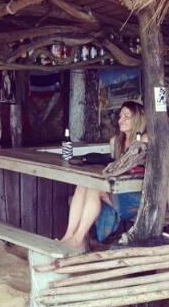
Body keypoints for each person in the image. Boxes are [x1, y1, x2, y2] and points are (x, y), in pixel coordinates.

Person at [60, 101, 147, 250]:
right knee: (83, 183)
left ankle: (78, 239)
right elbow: (115, 168)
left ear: (138, 119)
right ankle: (68, 236)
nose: (121, 120)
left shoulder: (144, 140)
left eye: (126, 116)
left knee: (95, 188)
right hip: (118, 190)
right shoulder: (116, 142)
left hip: (137, 197)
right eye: (120, 116)